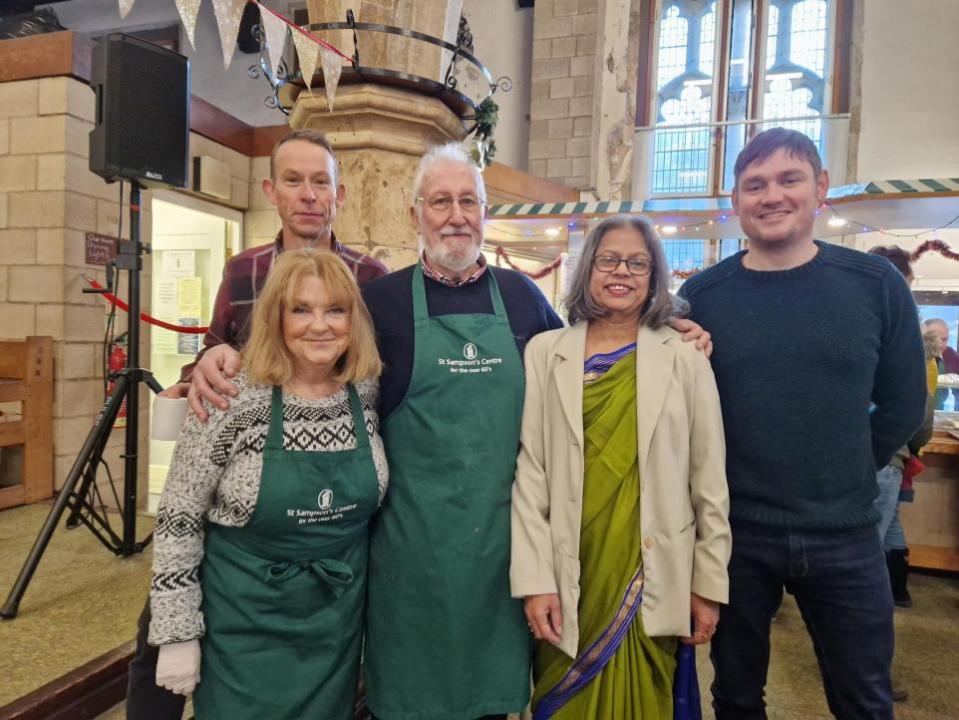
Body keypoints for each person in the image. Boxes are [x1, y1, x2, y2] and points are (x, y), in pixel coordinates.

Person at [187, 143, 712, 720]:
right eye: (440, 201)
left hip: (505, 557)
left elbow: (590, 364)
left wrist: (669, 329)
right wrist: (223, 358)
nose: (456, 215)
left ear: (485, 213)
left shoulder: (522, 299)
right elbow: (307, 367)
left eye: (469, 200)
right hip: (407, 557)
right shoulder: (378, 303)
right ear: (415, 215)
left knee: (490, 704)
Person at [126, 128, 388, 720]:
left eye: (321, 182)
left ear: (339, 194)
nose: (308, 195)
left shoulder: (370, 277)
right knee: (159, 661)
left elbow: (377, 376)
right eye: (294, 181)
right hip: (239, 532)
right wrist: (206, 364)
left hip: (331, 574)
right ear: (272, 190)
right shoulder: (242, 270)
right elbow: (217, 351)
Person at [679, 128, 926, 720]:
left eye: (789, 179)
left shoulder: (876, 285)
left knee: (863, 698)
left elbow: (903, 401)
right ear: (734, 202)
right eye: (754, 185)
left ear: (819, 189)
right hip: (737, 532)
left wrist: (844, 464)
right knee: (735, 696)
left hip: (843, 531)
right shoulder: (702, 295)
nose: (772, 196)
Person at [510, 214, 731, 719]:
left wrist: (707, 586)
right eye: (609, 259)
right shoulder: (546, 353)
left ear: (655, 277)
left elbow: (709, 481)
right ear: (588, 268)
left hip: (651, 572)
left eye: (638, 263)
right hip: (571, 572)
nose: (622, 272)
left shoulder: (686, 357)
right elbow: (532, 475)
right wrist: (535, 579)